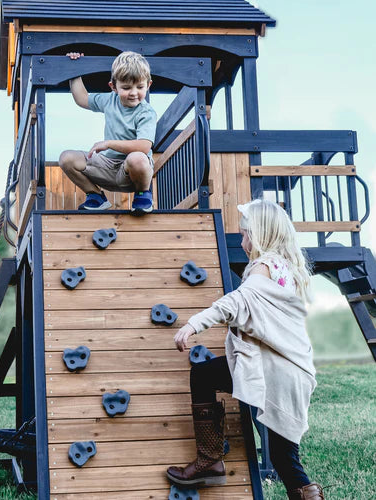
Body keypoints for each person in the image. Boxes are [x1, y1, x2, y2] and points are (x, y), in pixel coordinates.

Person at [166, 199, 324, 500]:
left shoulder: (264, 267)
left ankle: (210, 460)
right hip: (286, 369)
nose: (242, 241)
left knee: (202, 376)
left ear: (260, 234)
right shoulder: (285, 267)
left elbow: (237, 302)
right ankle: (212, 462)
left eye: (245, 234)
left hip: (275, 371)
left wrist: (193, 324)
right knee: (283, 458)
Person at [59, 51, 157, 215]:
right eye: (126, 88)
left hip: (132, 172)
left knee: (138, 158)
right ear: (113, 87)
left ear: (148, 85)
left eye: (140, 87)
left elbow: (144, 146)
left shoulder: (146, 112)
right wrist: (75, 68)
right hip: (106, 166)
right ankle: (96, 196)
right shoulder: (110, 100)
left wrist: (109, 143)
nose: (134, 93)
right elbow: (82, 98)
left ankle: (142, 195)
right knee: (66, 158)